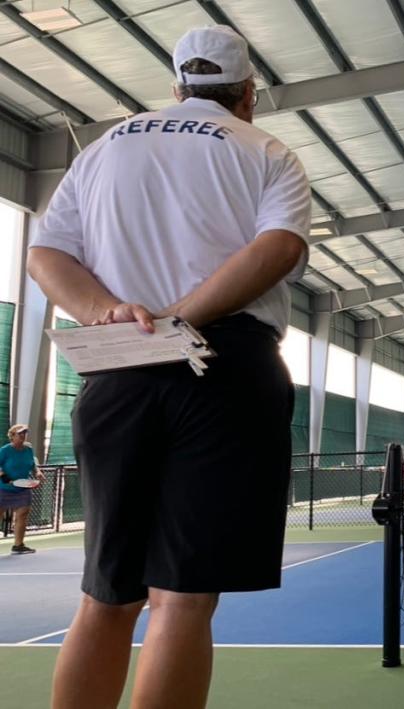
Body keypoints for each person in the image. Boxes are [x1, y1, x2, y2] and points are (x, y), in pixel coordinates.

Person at [27, 25, 311, 709]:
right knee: (181, 598)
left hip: (117, 365)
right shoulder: (266, 150)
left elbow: (46, 255)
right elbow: (278, 247)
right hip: (225, 371)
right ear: (248, 94)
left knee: (105, 594)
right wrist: (182, 317)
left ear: (177, 87)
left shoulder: (100, 151)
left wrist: (109, 313)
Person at [0, 424, 45, 554]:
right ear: (12, 436)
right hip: (3, 488)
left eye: (24, 433)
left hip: (23, 488)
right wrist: (6, 479)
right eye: (20, 433)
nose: (23, 435)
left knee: (23, 515)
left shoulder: (28, 449)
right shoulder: (5, 450)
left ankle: (18, 545)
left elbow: (32, 464)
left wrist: (37, 471)